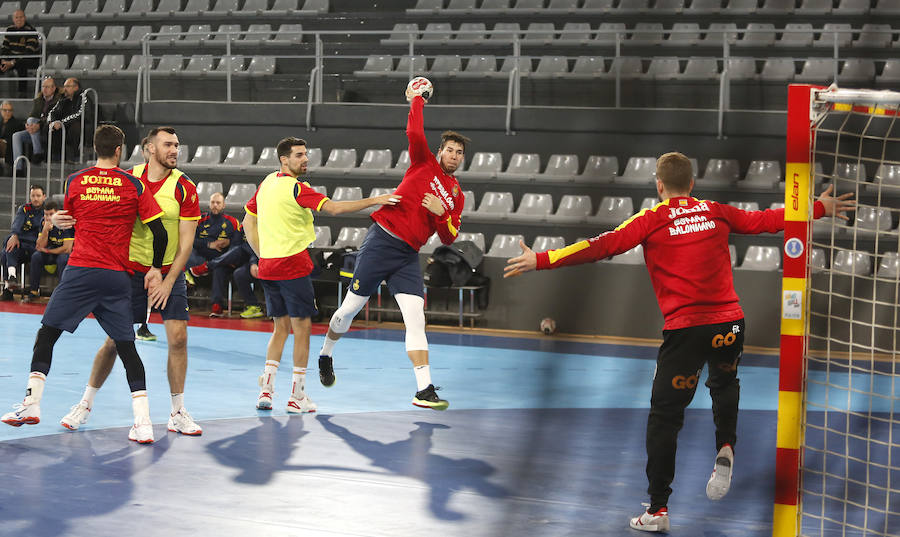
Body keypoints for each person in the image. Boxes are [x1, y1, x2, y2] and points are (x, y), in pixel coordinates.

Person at [503, 152, 856, 533]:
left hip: (686, 330)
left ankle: (657, 509)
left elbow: (600, 246)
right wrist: (818, 205)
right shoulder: (715, 210)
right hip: (730, 324)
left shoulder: (651, 219)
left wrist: (542, 258)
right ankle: (726, 446)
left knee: (665, 418)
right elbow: (769, 220)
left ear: (659, 185)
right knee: (724, 383)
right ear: (691, 184)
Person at [1, 124, 168, 445]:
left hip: (80, 272)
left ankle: (31, 403)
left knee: (47, 334)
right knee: (126, 347)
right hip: (115, 276)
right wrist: (156, 269)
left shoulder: (76, 181)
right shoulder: (134, 185)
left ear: (95, 148)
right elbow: (159, 233)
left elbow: (72, 218)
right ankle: (143, 422)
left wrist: (64, 220)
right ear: (119, 150)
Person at [317, 87, 468, 411]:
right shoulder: (423, 162)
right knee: (349, 311)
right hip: (382, 242)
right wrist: (417, 99)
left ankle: (424, 389)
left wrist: (441, 214)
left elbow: (450, 237)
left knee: (416, 319)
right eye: (450, 150)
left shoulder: (456, 196)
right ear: (439, 152)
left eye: (459, 153)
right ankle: (326, 353)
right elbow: (414, 130)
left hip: (407, 256)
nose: (454, 155)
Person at [58, 126, 203, 437]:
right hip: (128, 270)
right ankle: (85, 403)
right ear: (149, 148)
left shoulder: (185, 187)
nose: (175, 150)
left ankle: (177, 412)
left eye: (177, 145)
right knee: (115, 341)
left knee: (178, 338)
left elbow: (186, 243)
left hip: (167, 271)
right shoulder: (128, 180)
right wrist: (61, 221)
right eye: (168, 145)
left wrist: (167, 280)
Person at [242, 136, 400, 414]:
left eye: (306, 154)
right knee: (302, 331)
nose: (305, 159)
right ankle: (296, 396)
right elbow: (336, 208)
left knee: (280, 329)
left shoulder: (267, 182)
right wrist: (377, 199)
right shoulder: (297, 189)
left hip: (268, 267)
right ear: (284, 160)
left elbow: (247, 221)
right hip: (292, 266)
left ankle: (265, 392)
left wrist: (263, 254)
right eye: (299, 155)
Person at [189, 227, 265, 319]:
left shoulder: (262, 226)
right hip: (239, 258)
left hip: (256, 260)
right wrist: (230, 257)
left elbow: (255, 249)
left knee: (240, 258)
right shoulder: (242, 227)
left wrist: (253, 262)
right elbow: (235, 244)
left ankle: (207, 266)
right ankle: (217, 306)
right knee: (220, 268)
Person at [188, 192, 242, 317]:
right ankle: (186, 281)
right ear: (209, 204)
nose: (215, 205)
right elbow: (190, 240)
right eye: (213, 202)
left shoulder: (232, 222)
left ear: (224, 205)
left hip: (221, 258)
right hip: (200, 256)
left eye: (218, 203)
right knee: (186, 251)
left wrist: (228, 242)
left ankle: (216, 305)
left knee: (220, 267)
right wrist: (209, 245)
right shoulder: (200, 220)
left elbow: (238, 244)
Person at [1, 183, 45, 300]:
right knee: (9, 245)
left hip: (36, 246)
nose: (35, 198)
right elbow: (17, 223)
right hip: (21, 245)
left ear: (44, 197)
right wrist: (14, 234)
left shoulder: (47, 211)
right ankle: (11, 278)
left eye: (38, 196)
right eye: (33, 196)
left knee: (5, 252)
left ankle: (8, 288)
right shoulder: (24, 209)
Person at [24, 199, 73, 303]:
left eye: (51, 214)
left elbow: (67, 249)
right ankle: (34, 292)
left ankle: (62, 295)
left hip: (65, 252)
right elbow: (39, 245)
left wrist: (48, 251)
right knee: (36, 256)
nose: (48, 218)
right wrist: (45, 230)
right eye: (46, 214)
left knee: (63, 260)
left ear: (57, 213)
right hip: (52, 249)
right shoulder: (43, 222)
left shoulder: (65, 222)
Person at [12, 76, 61, 172]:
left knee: (32, 121)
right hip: (35, 130)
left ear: (54, 88)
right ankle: (18, 168)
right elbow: (32, 115)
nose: (44, 89)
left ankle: (37, 152)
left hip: (47, 130)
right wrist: (28, 125)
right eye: (43, 87)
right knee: (16, 136)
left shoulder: (59, 100)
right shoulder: (38, 100)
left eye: (47, 87)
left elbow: (53, 117)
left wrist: (38, 124)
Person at [47, 77, 88, 162]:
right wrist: (53, 122)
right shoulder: (63, 99)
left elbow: (80, 114)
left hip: (84, 127)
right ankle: (54, 157)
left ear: (76, 87)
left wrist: (62, 123)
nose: (64, 89)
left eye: (68, 86)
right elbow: (52, 112)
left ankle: (74, 157)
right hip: (66, 126)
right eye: (64, 86)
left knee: (75, 127)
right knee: (51, 127)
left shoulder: (84, 97)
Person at [0, 10, 39, 97]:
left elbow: (29, 52)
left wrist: (12, 62)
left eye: (21, 17)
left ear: (24, 18)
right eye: (16, 17)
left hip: (29, 59)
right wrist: (3, 60)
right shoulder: (10, 29)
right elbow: (4, 47)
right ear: (13, 19)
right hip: (12, 58)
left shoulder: (31, 30)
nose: (19, 20)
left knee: (21, 64)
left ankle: (22, 94)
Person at [0, 100, 24, 168]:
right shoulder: (0, 122)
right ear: (1, 111)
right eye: (5, 110)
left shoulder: (17, 124)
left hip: (10, 148)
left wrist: (3, 142)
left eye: (10, 110)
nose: (7, 112)